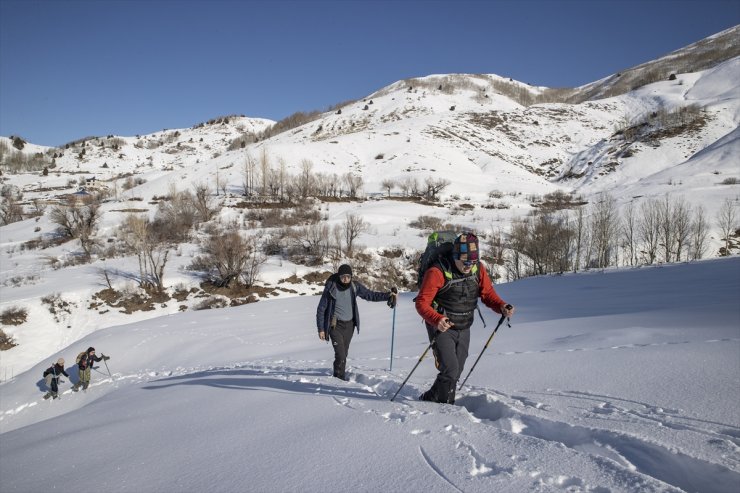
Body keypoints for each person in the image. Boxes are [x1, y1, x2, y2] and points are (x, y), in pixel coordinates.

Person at [414, 232, 514, 404]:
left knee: (457, 370)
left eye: (473, 261)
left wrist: (501, 306)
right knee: (451, 369)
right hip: (441, 326)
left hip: (464, 325)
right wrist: (436, 319)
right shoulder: (437, 272)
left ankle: (432, 396)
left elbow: (487, 294)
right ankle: (445, 407)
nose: (469, 266)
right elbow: (422, 303)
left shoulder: (478, 269)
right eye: (465, 261)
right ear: (455, 256)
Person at [316, 264, 397, 380]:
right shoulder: (331, 288)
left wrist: (388, 296)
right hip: (335, 326)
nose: (345, 279)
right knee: (341, 355)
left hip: (349, 326)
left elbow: (370, 295)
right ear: (339, 276)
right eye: (343, 276)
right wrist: (321, 329)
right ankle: (338, 380)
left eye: (348, 277)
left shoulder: (354, 287)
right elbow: (321, 309)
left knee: (344, 354)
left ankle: (338, 375)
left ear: (351, 277)